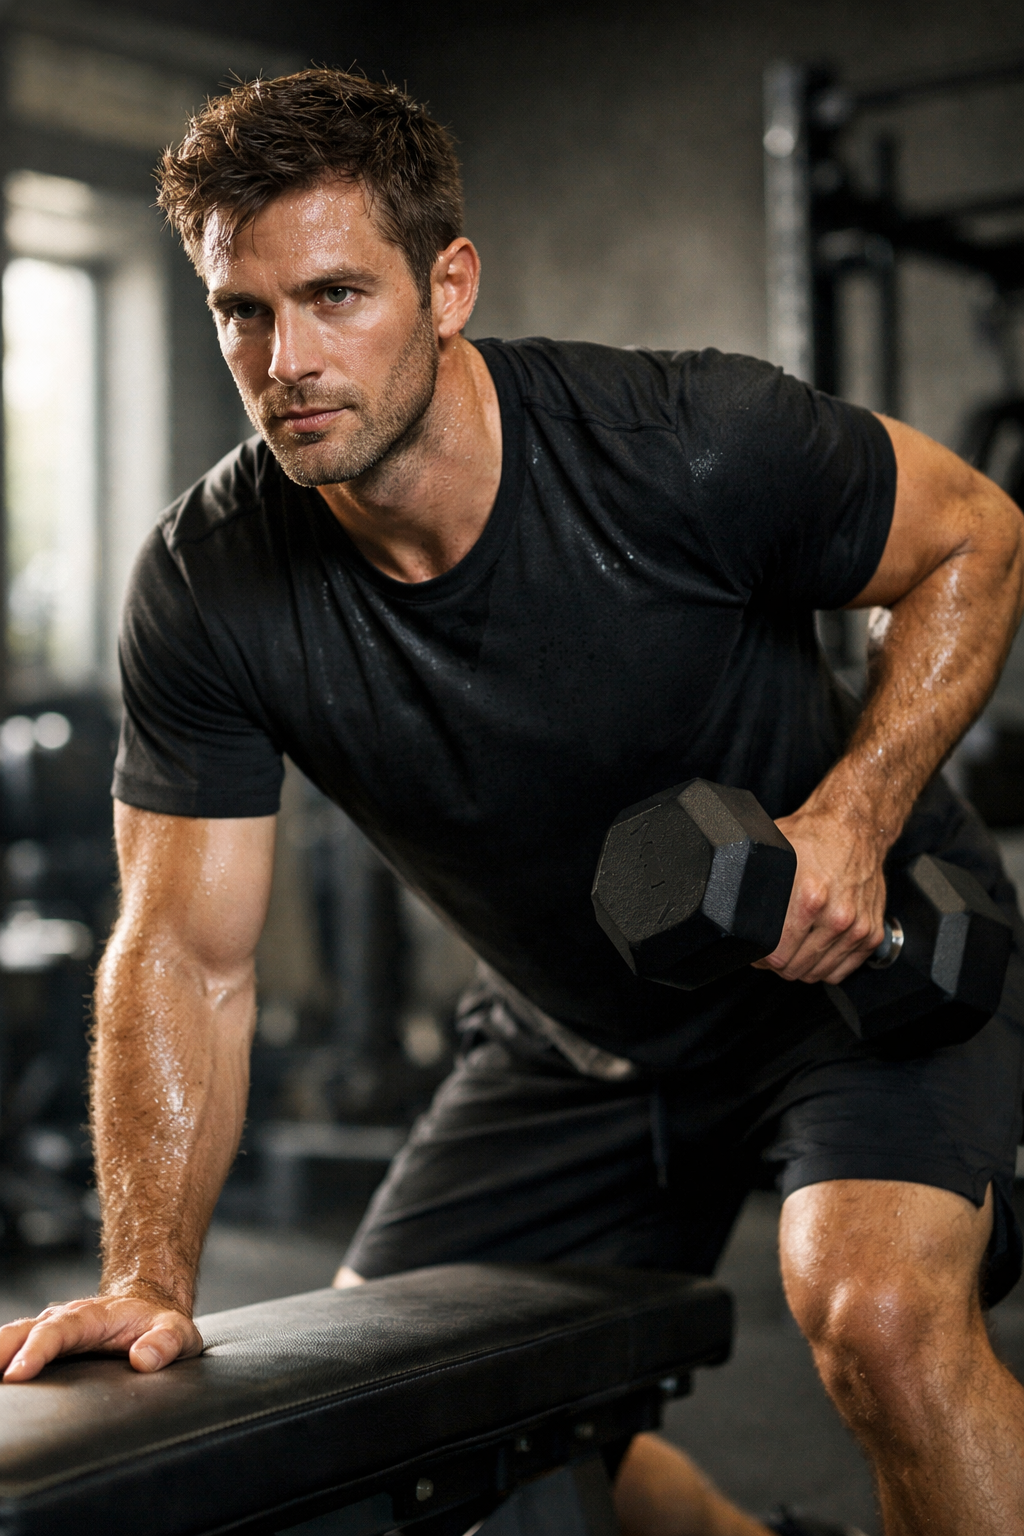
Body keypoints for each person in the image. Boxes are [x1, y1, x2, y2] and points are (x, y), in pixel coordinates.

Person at [0, 68, 1021, 1536]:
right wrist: (148, 1276)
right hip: (579, 1037)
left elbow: (976, 536)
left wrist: (857, 817)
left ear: (449, 283)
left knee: (875, 1319)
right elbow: (184, 951)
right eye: (243, 310)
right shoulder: (209, 584)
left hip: (854, 974)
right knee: (400, 1424)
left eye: (337, 295)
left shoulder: (683, 441)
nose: (286, 357)